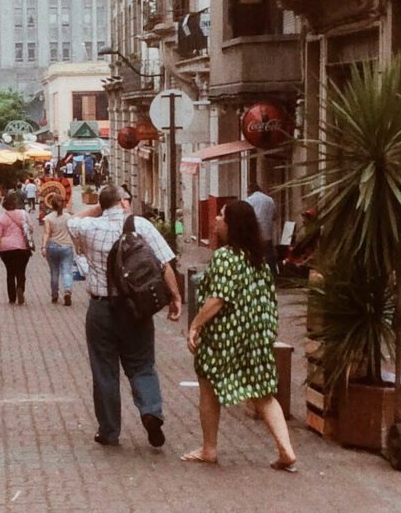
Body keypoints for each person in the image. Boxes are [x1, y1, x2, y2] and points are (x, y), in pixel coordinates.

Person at [183, 200, 296, 471]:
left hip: (225, 336)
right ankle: (286, 450)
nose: (216, 221)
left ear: (231, 226)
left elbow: (217, 299)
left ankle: (209, 448)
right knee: (264, 392)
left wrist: (196, 325)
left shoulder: (226, 257)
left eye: (221, 217)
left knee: (208, 383)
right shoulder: (258, 259)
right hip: (256, 334)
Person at [69, 185, 182, 448]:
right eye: (127, 200)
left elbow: (73, 219)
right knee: (142, 364)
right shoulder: (140, 225)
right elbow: (165, 263)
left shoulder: (89, 227)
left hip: (100, 308)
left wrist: (99, 206)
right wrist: (175, 298)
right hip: (136, 308)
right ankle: (151, 411)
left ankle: (109, 431)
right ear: (122, 202)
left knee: (104, 370)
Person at [0, 191, 34, 304]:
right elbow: (31, 229)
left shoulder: (0, 218)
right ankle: (20, 288)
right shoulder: (23, 214)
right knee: (21, 270)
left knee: (10, 272)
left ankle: (12, 297)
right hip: (22, 248)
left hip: (6, 249)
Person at [42, 194, 75, 305]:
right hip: (66, 246)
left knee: (54, 272)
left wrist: (43, 246)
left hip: (52, 246)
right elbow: (72, 232)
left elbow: (47, 233)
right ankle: (67, 291)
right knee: (67, 270)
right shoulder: (68, 217)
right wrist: (78, 245)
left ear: (51, 204)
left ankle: (55, 294)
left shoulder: (48, 218)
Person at [245, 183, 278, 272]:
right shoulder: (270, 200)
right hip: (268, 236)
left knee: (255, 257)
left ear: (249, 191)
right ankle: (272, 276)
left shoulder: (249, 201)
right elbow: (274, 216)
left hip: (255, 235)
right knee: (270, 258)